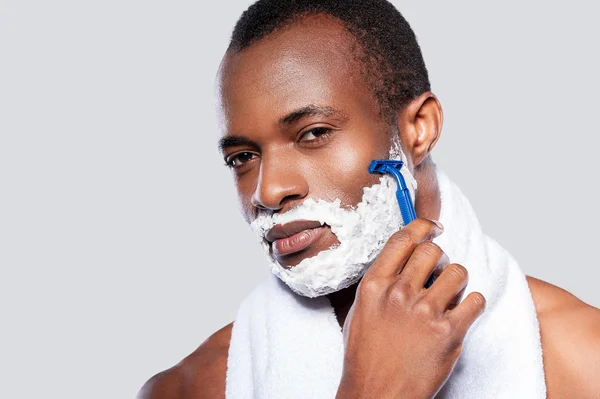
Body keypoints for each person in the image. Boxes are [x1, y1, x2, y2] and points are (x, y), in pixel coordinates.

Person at [138, 0, 600, 397]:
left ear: (419, 129)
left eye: (313, 133)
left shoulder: (582, 359)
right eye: (242, 157)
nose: (268, 190)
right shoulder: (186, 389)